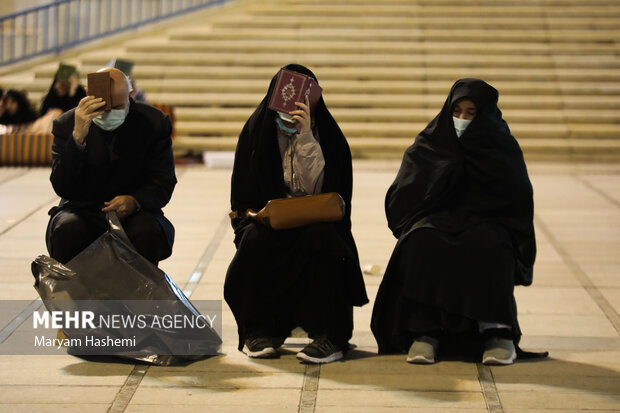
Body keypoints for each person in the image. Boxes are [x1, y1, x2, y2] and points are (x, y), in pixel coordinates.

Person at [371, 78, 546, 365]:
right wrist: (444, 177)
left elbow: (517, 199)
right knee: (420, 239)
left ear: (485, 114)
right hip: (436, 217)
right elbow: (405, 192)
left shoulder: (501, 146)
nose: (462, 119)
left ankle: (497, 333)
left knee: (491, 243)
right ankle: (425, 332)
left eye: (471, 113)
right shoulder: (431, 142)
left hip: (488, 219)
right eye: (457, 111)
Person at [225, 64, 368, 364]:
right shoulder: (257, 131)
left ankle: (330, 336)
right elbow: (244, 194)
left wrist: (305, 137)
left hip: (317, 220)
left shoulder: (328, 135)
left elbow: (326, 193)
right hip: (268, 221)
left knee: (324, 239)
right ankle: (259, 331)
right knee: (254, 241)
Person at [45, 67, 176, 266]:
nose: (109, 113)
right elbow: (63, 186)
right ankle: (77, 293)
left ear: (131, 96)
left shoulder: (153, 123)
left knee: (145, 231)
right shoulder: (67, 124)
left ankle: (138, 294)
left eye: (117, 107)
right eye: (104, 107)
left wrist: (135, 201)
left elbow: (163, 181)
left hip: (135, 212)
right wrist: (78, 137)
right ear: (89, 95)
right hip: (83, 209)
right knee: (67, 229)